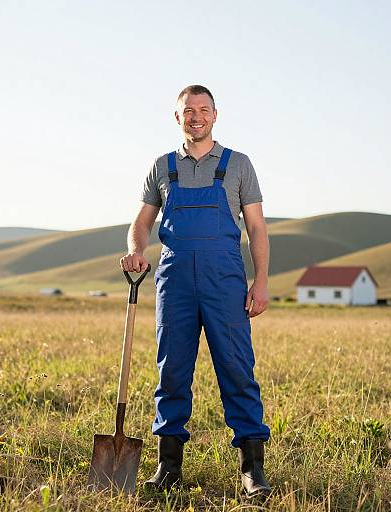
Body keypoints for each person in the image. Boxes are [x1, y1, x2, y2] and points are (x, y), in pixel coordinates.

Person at [120, 85, 271, 498]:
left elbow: (256, 228)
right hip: (175, 281)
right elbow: (142, 222)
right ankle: (168, 467)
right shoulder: (162, 166)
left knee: (237, 369)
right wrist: (136, 250)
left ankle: (252, 469)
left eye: (203, 110)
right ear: (178, 118)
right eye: (188, 111)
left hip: (225, 281)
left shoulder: (239, 165)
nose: (196, 117)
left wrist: (261, 281)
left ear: (215, 115)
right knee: (171, 371)